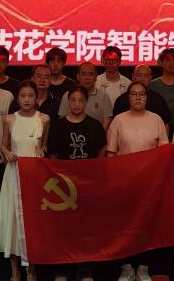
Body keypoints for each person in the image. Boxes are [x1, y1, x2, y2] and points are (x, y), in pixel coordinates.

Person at [108, 82, 172, 281]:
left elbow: (163, 152)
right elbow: (111, 153)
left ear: (146, 97)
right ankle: (127, 267)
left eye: (141, 94)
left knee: (147, 225)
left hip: (149, 184)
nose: (137, 97)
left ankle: (144, 267)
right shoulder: (118, 120)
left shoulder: (156, 119)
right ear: (128, 97)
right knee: (125, 226)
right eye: (134, 94)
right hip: (125, 183)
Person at [46, 84, 106, 281]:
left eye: (81, 100)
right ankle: (63, 270)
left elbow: (102, 151)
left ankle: (84, 270)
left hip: (88, 184)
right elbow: (52, 154)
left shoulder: (94, 125)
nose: (77, 104)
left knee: (85, 229)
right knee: (64, 229)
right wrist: (61, 176)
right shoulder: (58, 125)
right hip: (65, 186)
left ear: (86, 102)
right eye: (73, 100)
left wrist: (92, 173)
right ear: (68, 102)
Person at [0, 80, 50, 281]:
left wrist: (42, 152)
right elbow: (4, 145)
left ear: (36, 98)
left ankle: (31, 270)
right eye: (23, 96)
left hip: (34, 176)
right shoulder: (10, 119)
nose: (27, 100)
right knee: (13, 220)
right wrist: (6, 152)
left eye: (30, 96)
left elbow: (44, 146)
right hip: (13, 173)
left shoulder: (44, 119)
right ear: (18, 98)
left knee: (31, 220)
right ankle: (15, 271)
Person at [111, 64, 173, 132]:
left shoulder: (159, 100)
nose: (142, 78)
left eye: (146, 76)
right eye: (139, 75)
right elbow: (115, 126)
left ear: (151, 78)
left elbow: (165, 124)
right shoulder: (121, 101)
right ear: (133, 77)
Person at [58, 61, 113, 130]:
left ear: (96, 77)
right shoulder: (67, 95)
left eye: (91, 74)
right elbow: (62, 120)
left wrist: (98, 135)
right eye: (83, 74)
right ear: (78, 77)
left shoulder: (104, 97)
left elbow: (107, 121)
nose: (87, 78)